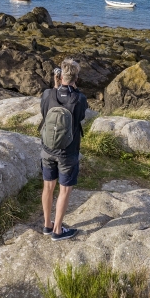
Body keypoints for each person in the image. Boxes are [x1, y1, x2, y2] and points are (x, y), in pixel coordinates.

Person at [40, 59, 88, 241]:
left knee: (48, 187)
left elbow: (45, 112)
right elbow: (80, 116)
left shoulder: (47, 94)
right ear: (76, 77)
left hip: (47, 149)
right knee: (64, 190)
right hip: (68, 152)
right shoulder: (80, 98)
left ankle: (47, 225)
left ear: (59, 76)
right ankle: (58, 230)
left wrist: (55, 85)